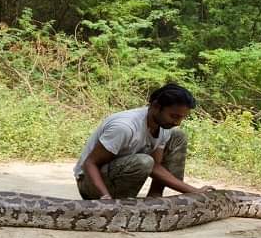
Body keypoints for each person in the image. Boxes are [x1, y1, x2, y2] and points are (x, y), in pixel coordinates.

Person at [75, 83, 208, 200]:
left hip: (118, 174)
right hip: (90, 184)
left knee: (177, 135)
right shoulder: (124, 127)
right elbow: (90, 163)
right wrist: (105, 197)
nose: (177, 122)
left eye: (181, 118)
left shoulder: (163, 126)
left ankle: (154, 197)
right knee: (144, 161)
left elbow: (155, 166)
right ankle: (120, 202)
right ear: (156, 106)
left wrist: (194, 191)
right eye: (174, 116)